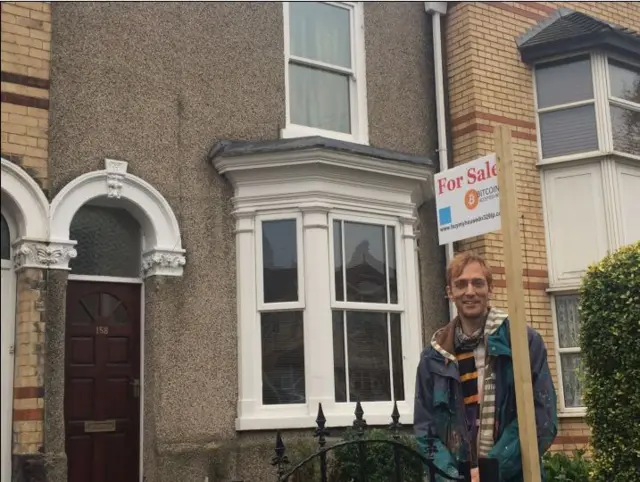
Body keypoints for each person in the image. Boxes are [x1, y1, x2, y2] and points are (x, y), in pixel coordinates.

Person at [413, 251, 558, 482]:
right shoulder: (433, 357)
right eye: (461, 284)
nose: (470, 292)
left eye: (478, 283)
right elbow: (425, 430)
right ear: (450, 292)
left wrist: (490, 472)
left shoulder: (522, 342)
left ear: (490, 288)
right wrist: (452, 476)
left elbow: (543, 418)